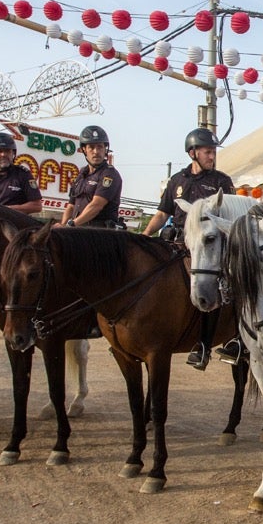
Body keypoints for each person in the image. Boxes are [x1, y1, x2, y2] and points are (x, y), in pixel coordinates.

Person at [144, 127, 239, 370]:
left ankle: (204, 345)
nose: (212, 156)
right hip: (176, 242)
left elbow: (227, 218)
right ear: (192, 153)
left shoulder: (222, 182)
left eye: (213, 152)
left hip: (205, 247)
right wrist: (145, 235)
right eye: (208, 152)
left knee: (212, 284)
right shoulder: (177, 180)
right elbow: (162, 213)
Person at [62, 125, 125, 229]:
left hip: (100, 233)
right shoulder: (81, 173)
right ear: (84, 149)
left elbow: (96, 205)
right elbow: (71, 205)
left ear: (105, 149)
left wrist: (72, 224)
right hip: (77, 229)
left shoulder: (109, 174)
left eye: (100, 147)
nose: (96, 151)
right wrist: (62, 225)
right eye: (91, 147)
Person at [0, 131, 44, 215]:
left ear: (13, 153)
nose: (3, 154)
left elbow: (37, 206)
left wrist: (7, 209)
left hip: (13, 224)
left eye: (7, 151)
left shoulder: (23, 174)